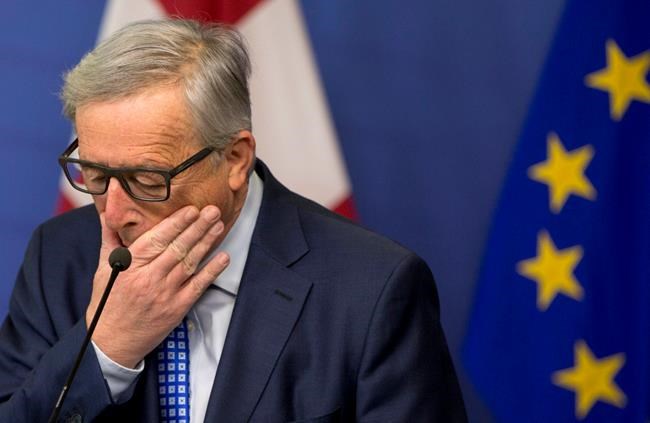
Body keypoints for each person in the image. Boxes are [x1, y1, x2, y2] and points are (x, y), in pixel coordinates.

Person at [0, 19, 466, 422]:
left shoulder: (372, 289)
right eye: (97, 176)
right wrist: (105, 349)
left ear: (236, 159)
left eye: (146, 179)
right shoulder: (57, 256)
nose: (115, 213)